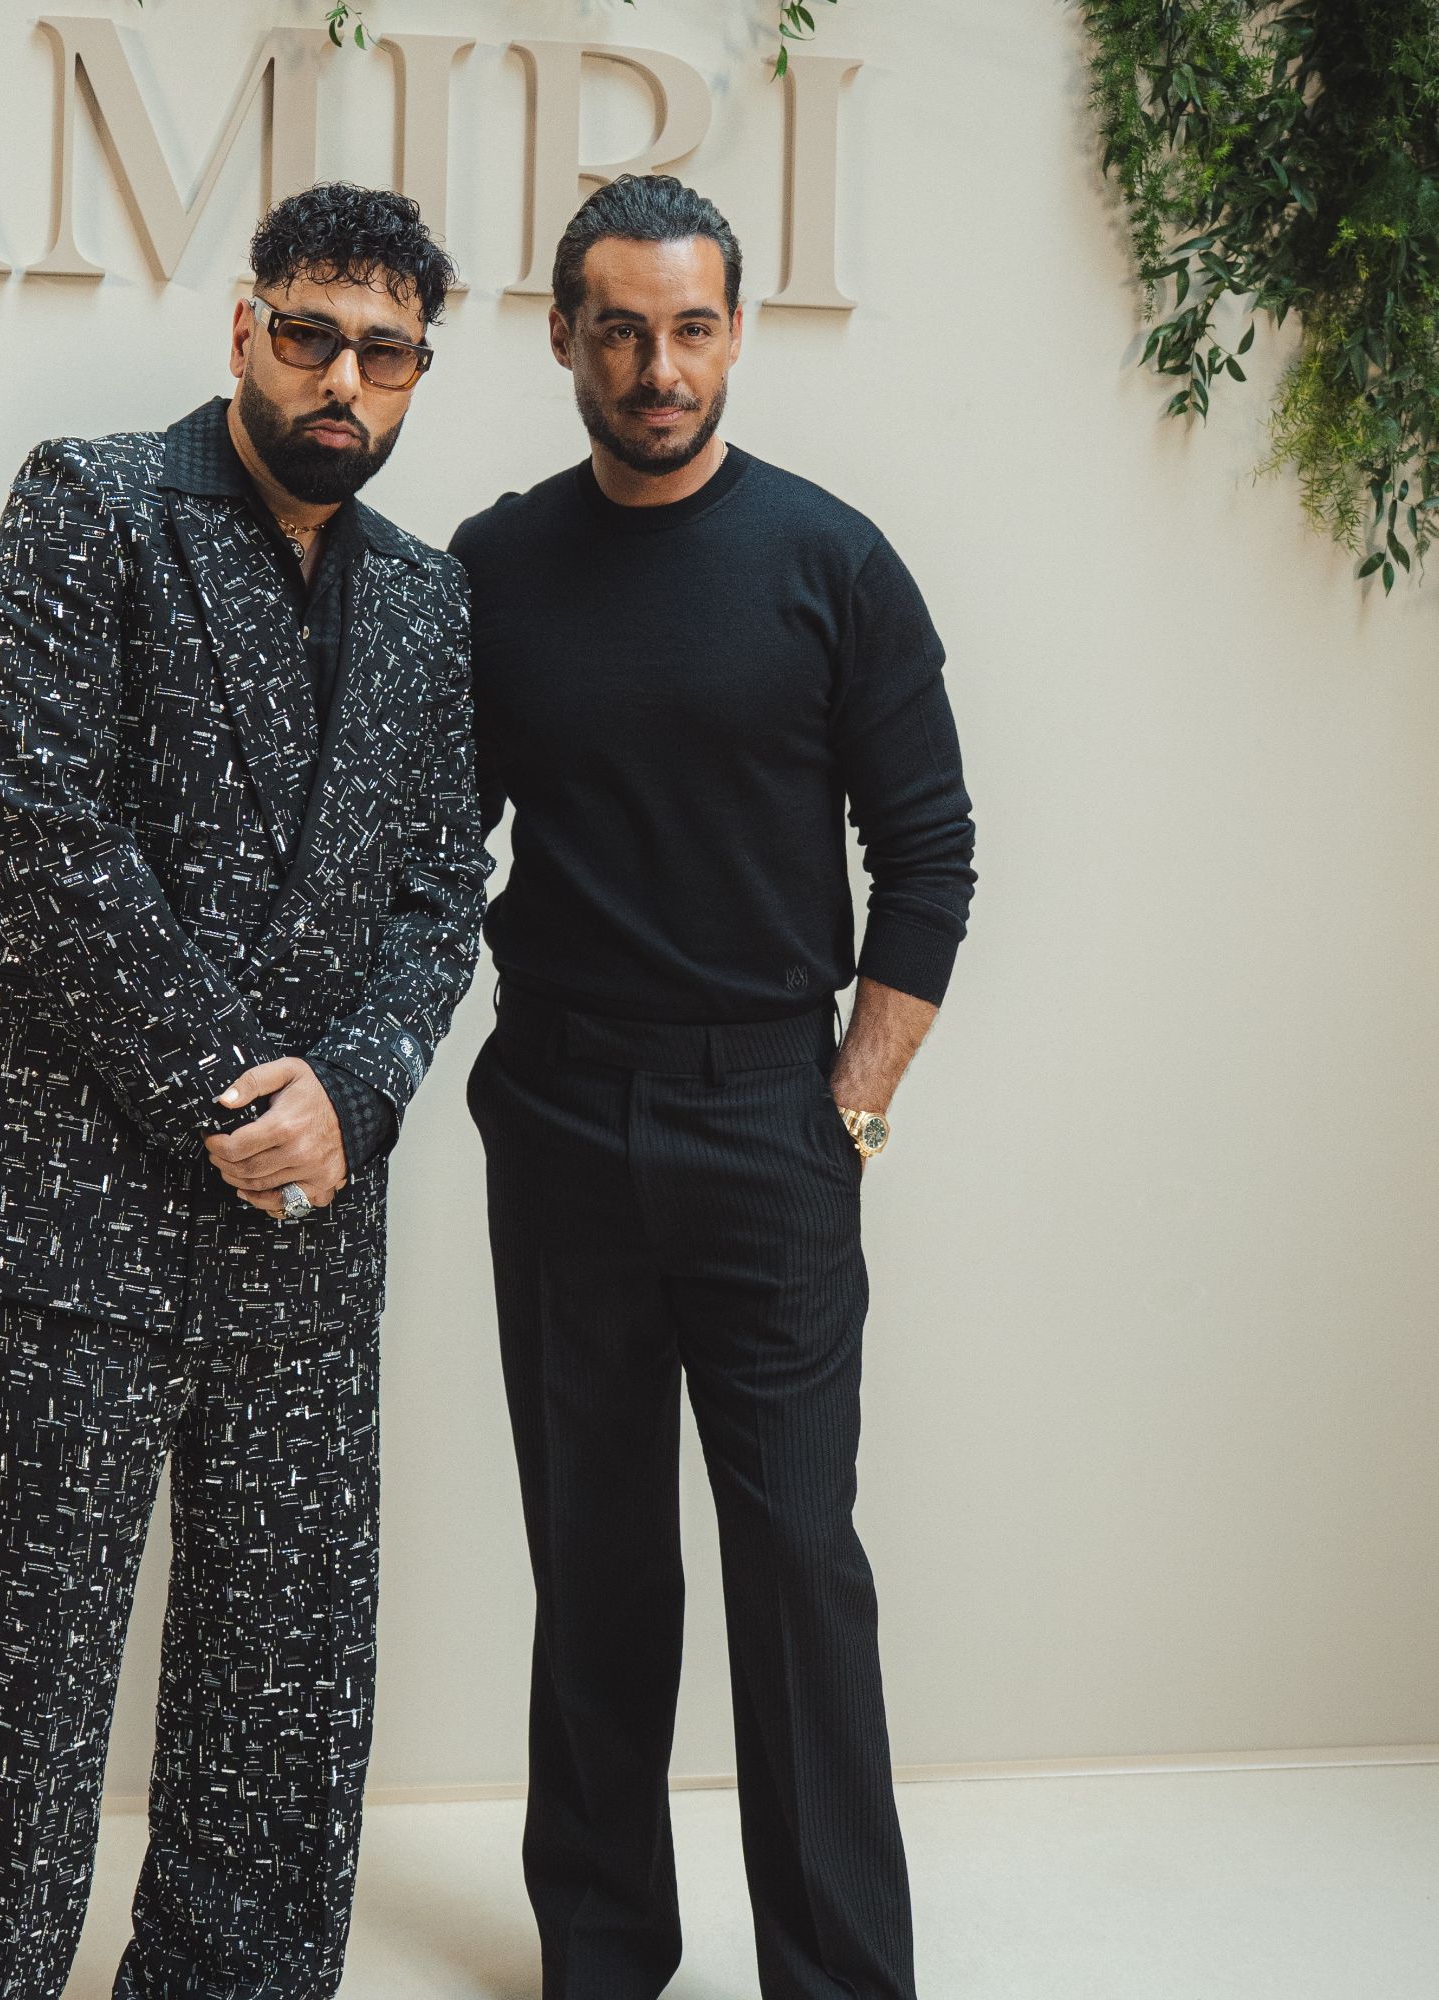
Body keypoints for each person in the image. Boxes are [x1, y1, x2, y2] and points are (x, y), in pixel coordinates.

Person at [0, 182, 491, 2000]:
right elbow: (43, 839)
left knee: (284, 1702)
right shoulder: (92, 500)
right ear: (243, 328)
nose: (340, 380)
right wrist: (237, 1098)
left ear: (417, 371)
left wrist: (352, 1094)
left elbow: (444, 882)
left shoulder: (428, 598)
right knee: (26, 1695)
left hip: (312, 1213)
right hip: (84, 1205)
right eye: (310, 336)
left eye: (383, 353)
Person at [452, 174, 976, 2000]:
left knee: (796, 1562)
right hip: (557, 1112)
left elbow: (929, 856)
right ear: (562, 338)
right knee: (593, 1560)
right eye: (619, 330)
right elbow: (430, 850)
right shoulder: (494, 568)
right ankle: (603, 1956)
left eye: (689, 328)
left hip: (771, 1117)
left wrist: (849, 1105)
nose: (656, 368)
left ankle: (834, 1974)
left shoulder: (832, 561)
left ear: (736, 331)